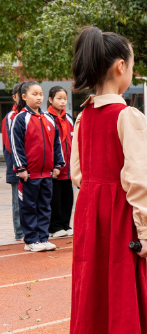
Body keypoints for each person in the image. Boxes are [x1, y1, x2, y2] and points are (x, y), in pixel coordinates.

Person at [68, 27, 147, 334]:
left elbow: (77, 173)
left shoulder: (82, 117)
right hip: (118, 212)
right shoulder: (129, 116)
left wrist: (95, 190)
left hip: (89, 211)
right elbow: (138, 179)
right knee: (122, 293)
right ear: (121, 66)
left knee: (94, 293)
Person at [11, 82, 65, 252]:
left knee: (44, 206)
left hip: (47, 174)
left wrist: (58, 164)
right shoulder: (20, 118)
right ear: (24, 97)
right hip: (29, 174)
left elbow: (57, 144)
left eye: (40, 94)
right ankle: (31, 239)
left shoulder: (49, 118)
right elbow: (16, 145)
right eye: (34, 94)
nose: (39, 97)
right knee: (28, 207)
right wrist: (21, 168)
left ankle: (43, 237)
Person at [46, 86, 76, 238]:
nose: (63, 101)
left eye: (64, 98)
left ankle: (65, 224)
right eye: (59, 98)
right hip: (55, 168)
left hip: (69, 168)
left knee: (67, 198)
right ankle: (54, 226)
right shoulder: (46, 118)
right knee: (54, 199)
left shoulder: (69, 118)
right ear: (50, 100)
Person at [2, 84, 24, 241]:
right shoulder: (11, 117)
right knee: (18, 200)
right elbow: (11, 144)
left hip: (31, 166)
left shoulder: (32, 115)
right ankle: (19, 232)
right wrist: (20, 165)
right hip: (17, 165)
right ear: (15, 97)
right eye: (21, 94)